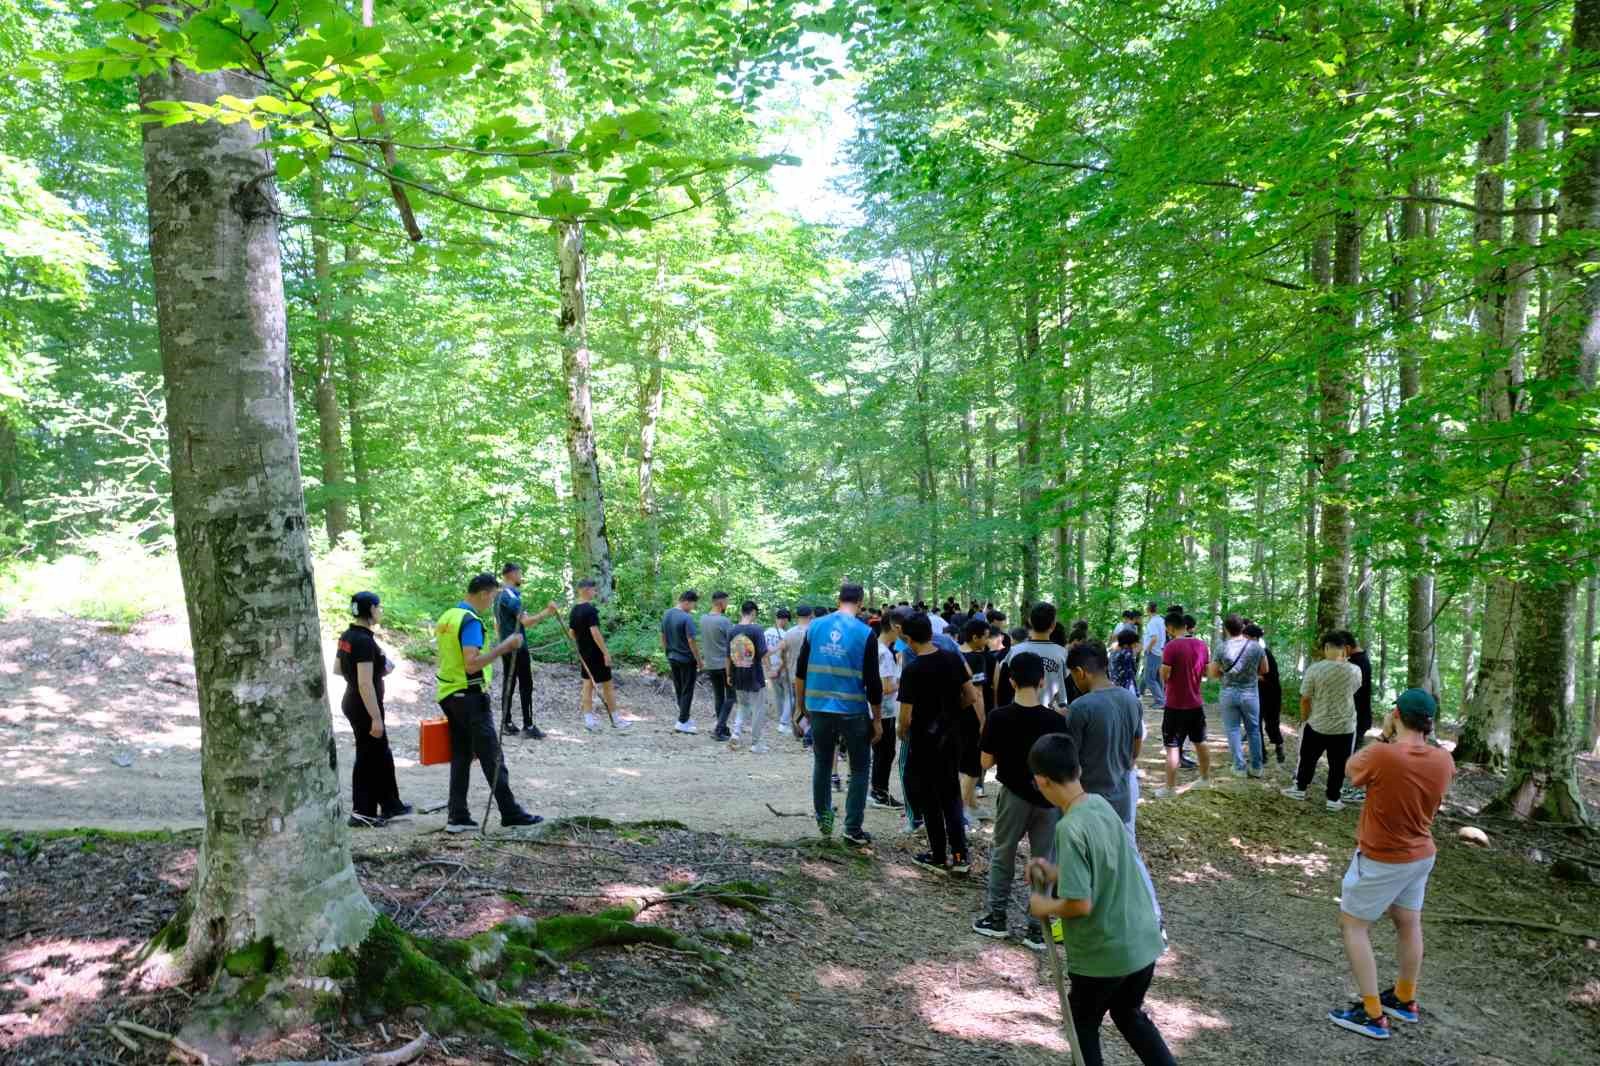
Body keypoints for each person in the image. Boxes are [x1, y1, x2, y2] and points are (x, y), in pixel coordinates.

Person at [1026, 735, 1176, 1066]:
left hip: (1105, 957)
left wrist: (1045, 906)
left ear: (1041, 782)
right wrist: (1053, 873)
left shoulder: (1069, 827)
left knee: (1083, 1025)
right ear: (1078, 769)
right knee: (1128, 1012)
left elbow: (1080, 904)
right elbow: (1103, 861)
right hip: (1142, 943)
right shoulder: (1100, 804)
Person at [1327, 689, 1455, 1041]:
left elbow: (1349, 769)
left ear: (1396, 714)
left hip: (1382, 858)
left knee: (1353, 926)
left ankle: (1371, 1014)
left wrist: (1384, 735)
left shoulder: (1384, 754)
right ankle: (1404, 997)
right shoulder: (1444, 760)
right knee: (1408, 922)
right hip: (1421, 855)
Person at [972, 652, 1066, 948]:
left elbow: (985, 762)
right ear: (1041, 681)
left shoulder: (999, 717)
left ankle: (996, 917)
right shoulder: (1055, 720)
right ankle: (1037, 928)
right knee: (1043, 858)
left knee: (1003, 853)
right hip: (1048, 799)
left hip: (1013, 794)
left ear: (1011, 681)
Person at [436, 573, 543, 833]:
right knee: (492, 757)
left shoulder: (447, 617)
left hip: (449, 694)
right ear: (484, 593)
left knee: (461, 756)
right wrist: (504, 647)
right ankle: (510, 812)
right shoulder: (470, 621)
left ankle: (457, 815)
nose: (492, 603)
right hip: (470, 697)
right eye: (492, 597)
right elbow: (471, 663)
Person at [794, 583, 883, 846]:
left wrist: (801, 708)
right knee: (859, 767)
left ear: (838, 599)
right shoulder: (865, 633)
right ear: (861, 602)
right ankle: (852, 829)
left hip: (818, 707)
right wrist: (877, 720)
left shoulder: (815, 627)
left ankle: (825, 823)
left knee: (822, 763)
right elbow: (873, 683)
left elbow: (801, 672)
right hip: (852, 710)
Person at [898, 611, 981, 874]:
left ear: (909, 639)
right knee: (951, 796)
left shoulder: (912, 670)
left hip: (924, 740)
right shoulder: (952, 659)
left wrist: (902, 731)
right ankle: (959, 856)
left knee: (930, 798)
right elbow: (971, 695)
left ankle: (937, 855)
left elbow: (906, 716)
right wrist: (952, 712)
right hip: (952, 737)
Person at [336, 591, 410, 827]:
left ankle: (390, 804)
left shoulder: (349, 635)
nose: (381, 611)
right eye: (378, 607)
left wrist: (379, 668)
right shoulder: (364, 641)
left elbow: (339, 669)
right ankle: (362, 813)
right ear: (370, 610)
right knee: (368, 757)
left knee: (381, 754)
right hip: (364, 706)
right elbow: (364, 682)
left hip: (354, 701)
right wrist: (375, 718)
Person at [1064, 641, 1144, 833]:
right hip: (1121, 799)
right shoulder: (1131, 700)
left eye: (1073, 675)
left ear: (1080, 672)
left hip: (1089, 802)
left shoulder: (1080, 707)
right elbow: (1136, 747)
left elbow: (1071, 760)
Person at [1284, 632, 1364, 811]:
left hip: (1317, 722)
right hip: (1345, 725)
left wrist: (1305, 719)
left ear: (1327, 647)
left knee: (1307, 758)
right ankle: (1333, 799)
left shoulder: (1315, 669)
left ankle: (1300, 788)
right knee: (1339, 764)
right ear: (1344, 649)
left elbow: (1305, 698)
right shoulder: (1354, 670)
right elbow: (1354, 689)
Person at [495, 562, 559, 738]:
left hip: (506, 646)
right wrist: (548, 611)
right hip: (517, 647)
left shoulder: (499, 596)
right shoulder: (510, 597)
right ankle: (528, 726)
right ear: (512, 574)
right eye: (520, 573)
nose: (521, 577)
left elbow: (497, 624)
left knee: (509, 683)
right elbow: (526, 622)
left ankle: (506, 723)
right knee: (526, 684)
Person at [1156, 612, 1211, 795]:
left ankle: (1170, 788)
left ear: (1171, 627)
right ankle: (1205, 779)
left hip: (1175, 704)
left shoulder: (1171, 646)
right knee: (1200, 741)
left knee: (1172, 745)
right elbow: (1206, 672)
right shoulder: (1202, 645)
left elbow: (1164, 674)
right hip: (1196, 703)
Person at [1209, 613, 1268, 778]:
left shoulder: (1222, 647)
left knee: (1233, 730)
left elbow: (1213, 673)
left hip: (1228, 693)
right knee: (1254, 730)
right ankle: (1257, 767)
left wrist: (1226, 675)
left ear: (1226, 629)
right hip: (1250, 694)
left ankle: (1239, 766)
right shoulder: (1256, 647)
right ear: (1242, 627)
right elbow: (1265, 670)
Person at [568, 577, 625, 732]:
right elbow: (595, 632)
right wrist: (605, 653)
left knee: (587, 686)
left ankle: (589, 721)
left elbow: (571, 633)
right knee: (608, 685)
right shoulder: (590, 610)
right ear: (586, 590)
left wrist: (580, 645)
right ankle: (616, 719)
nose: (595, 592)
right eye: (594, 589)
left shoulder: (575, 610)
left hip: (584, 653)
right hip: (595, 653)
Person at [997, 601, 1071, 710]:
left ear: (1030, 622)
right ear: (1053, 625)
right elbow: (1068, 686)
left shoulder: (1014, 652)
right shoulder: (1062, 653)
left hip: (1017, 714)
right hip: (1052, 715)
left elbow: (1003, 687)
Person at [959, 617, 995, 823]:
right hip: (972, 716)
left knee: (964, 760)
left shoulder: (955, 654)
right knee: (973, 765)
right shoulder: (976, 658)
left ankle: (972, 803)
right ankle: (962, 809)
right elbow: (978, 693)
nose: (987, 641)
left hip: (956, 715)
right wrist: (983, 721)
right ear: (975, 637)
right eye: (985, 637)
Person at [869, 614, 906, 811]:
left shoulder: (877, 648)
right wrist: (903, 681)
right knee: (886, 752)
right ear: (893, 627)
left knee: (882, 752)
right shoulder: (882, 652)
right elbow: (885, 687)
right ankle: (879, 793)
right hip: (883, 712)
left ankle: (877, 791)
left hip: (882, 710)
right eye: (900, 627)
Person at [726, 600, 769, 751]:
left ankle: (736, 734)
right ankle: (756, 743)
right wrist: (769, 670)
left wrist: (729, 675)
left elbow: (728, 656)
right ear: (753, 613)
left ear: (741, 612)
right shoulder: (757, 630)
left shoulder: (732, 630)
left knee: (742, 706)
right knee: (758, 709)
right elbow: (764, 653)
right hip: (754, 675)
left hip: (737, 673)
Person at [661, 590, 703, 733]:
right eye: (692, 604)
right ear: (686, 602)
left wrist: (667, 652)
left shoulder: (667, 614)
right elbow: (691, 640)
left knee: (679, 688)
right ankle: (682, 721)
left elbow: (663, 635)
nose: (693, 608)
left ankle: (684, 717)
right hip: (686, 659)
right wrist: (699, 659)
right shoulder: (686, 618)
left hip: (672, 657)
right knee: (687, 690)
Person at [700, 591, 736, 740]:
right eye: (726, 602)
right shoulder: (724, 621)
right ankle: (719, 728)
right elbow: (734, 642)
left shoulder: (703, 619)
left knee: (719, 696)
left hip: (710, 664)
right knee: (731, 697)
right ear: (721, 603)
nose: (727, 605)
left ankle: (723, 727)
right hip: (724, 665)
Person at [781, 604, 814, 744]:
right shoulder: (813, 631)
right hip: (811, 675)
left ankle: (798, 730)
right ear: (811, 615)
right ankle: (808, 732)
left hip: (794, 672)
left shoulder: (789, 632)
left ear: (797, 616)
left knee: (797, 703)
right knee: (809, 704)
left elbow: (783, 652)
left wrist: (786, 664)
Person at [1253, 623, 1285, 765]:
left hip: (1270, 693)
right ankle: (1262, 754)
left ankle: (1279, 747)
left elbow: (1268, 676)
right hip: (1260, 693)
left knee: (1270, 724)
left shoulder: (1264, 652)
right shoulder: (1258, 651)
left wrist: (1251, 676)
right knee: (1257, 723)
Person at [764, 608, 794, 736]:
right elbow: (786, 656)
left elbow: (763, 653)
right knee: (790, 696)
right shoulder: (786, 635)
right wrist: (778, 669)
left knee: (778, 696)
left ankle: (781, 722)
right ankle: (783, 723)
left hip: (770, 669)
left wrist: (769, 669)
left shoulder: (766, 633)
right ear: (785, 619)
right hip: (782, 669)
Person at [1343, 631, 1374, 752]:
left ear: (1347, 647)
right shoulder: (1358, 658)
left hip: (1357, 718)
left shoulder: (1357, 662)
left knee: (1349, 758)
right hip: (1357, 718)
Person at [1139, 601, 1167, 709]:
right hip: (1160, 651)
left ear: (1148, 609)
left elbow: (1154, 638)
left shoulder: (1152, 622)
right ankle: (1162, 699)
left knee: (1149, 678)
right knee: (1156, 678)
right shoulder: (1161, 620)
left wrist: (1147, 649)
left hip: (1153, 652)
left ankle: (1160, 701)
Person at [1109, 628, 1141, 696]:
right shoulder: (1127, 653)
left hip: (1114, 684)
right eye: (1134, 643)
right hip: (1125, 685)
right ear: (1127, 644)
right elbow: (1131, 672)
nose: (1136, 645)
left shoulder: (1114, 652)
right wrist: (1134, 654)